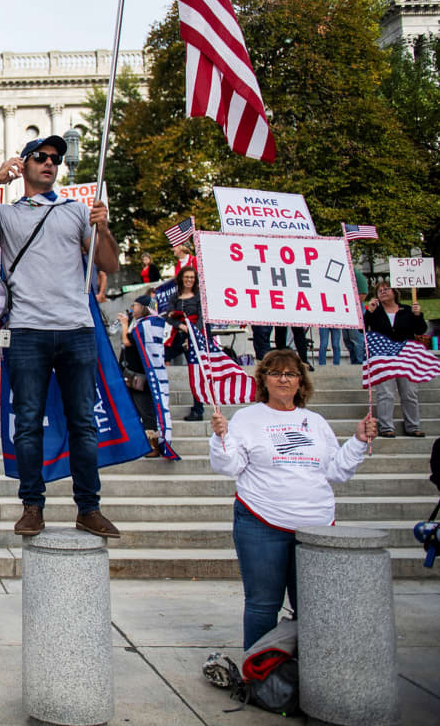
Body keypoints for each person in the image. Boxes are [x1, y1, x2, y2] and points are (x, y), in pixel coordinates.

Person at [0, 134, 121, 539]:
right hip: (27, 330)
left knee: (83, 423)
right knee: (28, 423)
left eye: (55, 159)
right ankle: (32, 505)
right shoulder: (7, 213)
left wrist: (104, 227)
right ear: (24, 163)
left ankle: (89, 507)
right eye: (41, 157)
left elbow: (110, 264)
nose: (49, 163)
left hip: (76, 328)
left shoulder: (78, 212)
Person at [209, 349, 376, 649]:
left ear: (301, 381)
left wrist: (359, 440)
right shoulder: (247, 418)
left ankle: (310, 673)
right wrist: (219, 438)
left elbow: (336, 471)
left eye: (290, 374)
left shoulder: (315, 421)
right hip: (262, 522)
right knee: (263, 604)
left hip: (316, 527)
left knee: (312, 608)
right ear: (263, 379)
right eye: (275, 373)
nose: (283, 379)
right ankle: (260, 676)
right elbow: (229, 466)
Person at [364, 282, 429, 438]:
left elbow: (420, 330)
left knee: (410, 392)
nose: (383, 292)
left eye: (386, 289)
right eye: (379, 291)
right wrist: (370, 312)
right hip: (383, 357)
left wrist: (418, 315)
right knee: (385, 393)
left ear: (395, 292)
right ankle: (386, 427)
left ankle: (413, 426)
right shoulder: (376, 312)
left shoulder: (407, 310)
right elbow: (362, 329)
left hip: (406, 356)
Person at [116, 295, 162, 457]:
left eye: (135, 305)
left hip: (142, 375)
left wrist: (124, 325)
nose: (132, 308)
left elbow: (128, 342)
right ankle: (141, 443)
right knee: (135, 409)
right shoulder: (137, 323)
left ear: (143, 307)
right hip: (131, 373)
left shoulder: (146, 325)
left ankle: (154, 445)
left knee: (145, 409)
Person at [164, 265, 208, 422]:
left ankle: (198, 409)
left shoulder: (198, 296)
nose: (189, 280)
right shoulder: (175, 297)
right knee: (160, 357)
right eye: (187, 277)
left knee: (195, 372)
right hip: (177, 335)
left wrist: (192, 333)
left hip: (195, 336)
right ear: (181, 278)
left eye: (192, 277)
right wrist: (180, 325)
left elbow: (202, 318)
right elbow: (168, 317)